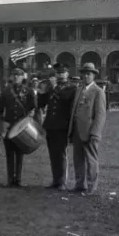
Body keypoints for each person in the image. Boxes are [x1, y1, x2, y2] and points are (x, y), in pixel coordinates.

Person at [68, 62, 106, 194]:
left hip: (90, 132)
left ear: (94, 75)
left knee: (91, 160)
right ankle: (80, 184)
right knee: (78, 159)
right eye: (84, 73)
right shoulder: (79, 89)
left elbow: (100, 115)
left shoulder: (98, 92)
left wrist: (95, 133)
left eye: (89, 73)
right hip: (77, 131)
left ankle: (91, 187)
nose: (86, 76)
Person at [38, 63, 77, 191]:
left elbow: (65, 98)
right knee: (52, 154)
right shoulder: (51, 88)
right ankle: (55, 180)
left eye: (62, 72)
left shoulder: (71, 87)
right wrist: (42, 92)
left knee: (61, 154)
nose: (60, 75)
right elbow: (41, 104)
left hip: (62, 125)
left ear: (67, 74)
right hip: (51, 125)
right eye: (58, 73)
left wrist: (54, 87)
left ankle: (62, 181)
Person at [0, 67, 37, 187]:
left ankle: (18, 179)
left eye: (18, 75)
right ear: (11, 77)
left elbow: (33, 107)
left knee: (20, 153)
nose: (15, 77)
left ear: (22, 77)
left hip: (21, 127)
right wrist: (2, 122)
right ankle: (10, 179)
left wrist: (29, 118)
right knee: (9, 153)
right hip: (9, 125)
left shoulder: (28, 91)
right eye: (14, 75)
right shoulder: (6, 91)